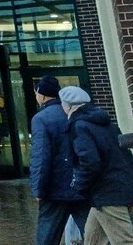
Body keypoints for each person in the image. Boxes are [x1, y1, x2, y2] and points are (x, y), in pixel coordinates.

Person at [62, 85, 133, 244]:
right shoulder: (108, 124)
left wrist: (79, 185)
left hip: (107, 192)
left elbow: (90, 161)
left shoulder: (79, 126)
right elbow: (124, 154)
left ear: (68, 107)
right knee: (92, 240)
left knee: (125, 241)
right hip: (121, 186)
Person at [30, 76, 89, 245]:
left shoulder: (41, 118)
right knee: (93, 233)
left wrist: (38, 189)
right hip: (80, 184)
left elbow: (41, 156)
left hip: (55, 189)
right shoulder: (74, 113)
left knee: (47, 237)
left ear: (41, 95)